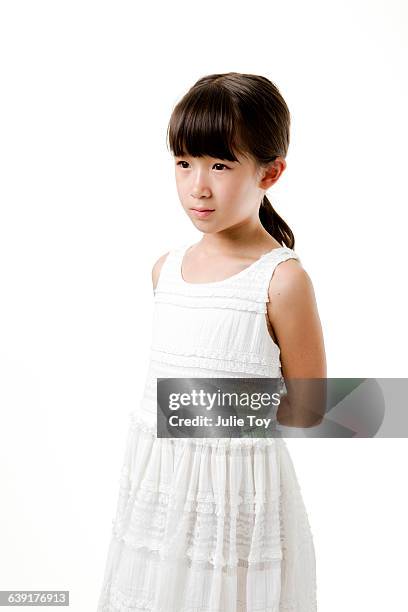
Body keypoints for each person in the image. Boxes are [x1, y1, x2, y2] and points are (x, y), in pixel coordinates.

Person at [97, 71, 326, 611]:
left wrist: (196, 410)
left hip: (238, 506)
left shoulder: (282, 280)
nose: (198, 185)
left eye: (220, 165)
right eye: (184, 163)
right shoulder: (165, 271)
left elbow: (314, 408)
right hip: (159, 499)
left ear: (270, 172)